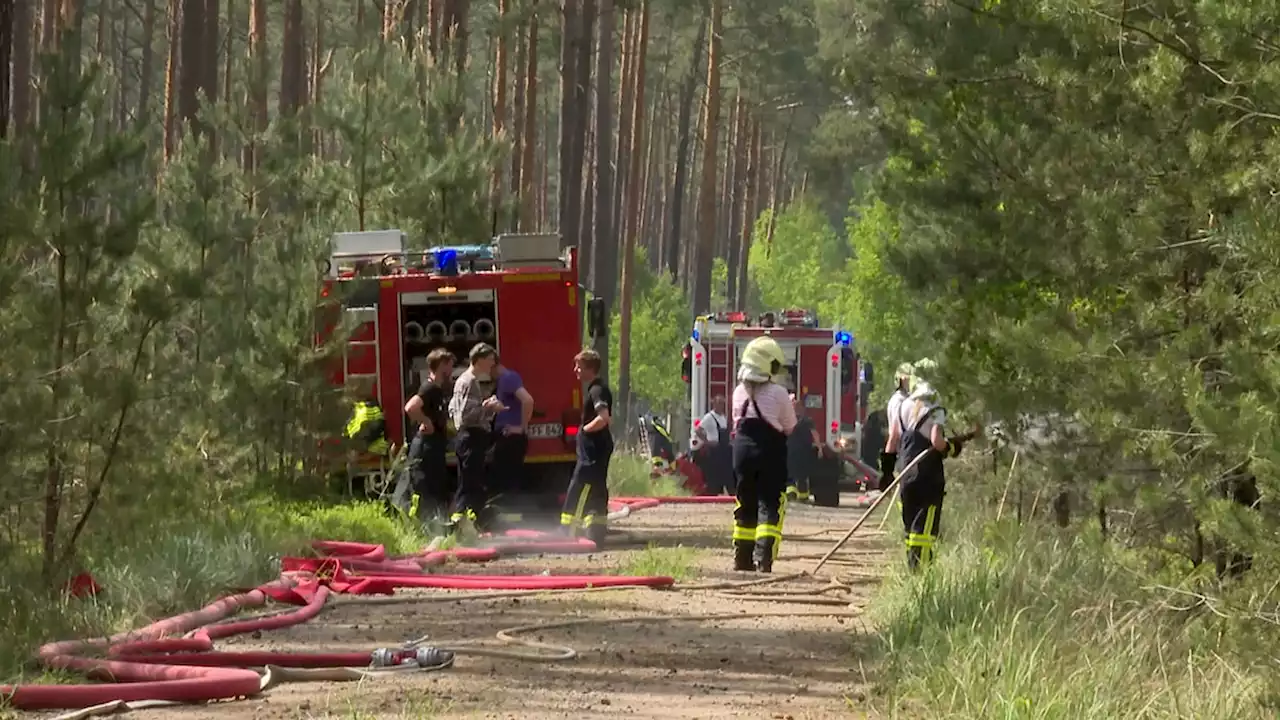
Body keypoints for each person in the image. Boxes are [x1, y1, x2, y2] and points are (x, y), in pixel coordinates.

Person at [730, 336, 797, 573]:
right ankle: (763, 557)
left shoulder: (738, 392)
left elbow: (736, 421)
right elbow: (789, 427)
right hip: (769, 452)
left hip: (741, 452)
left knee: (745, 502)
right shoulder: (778, 393)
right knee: (769, 503)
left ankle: (742, 558)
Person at [894, 377, 964, 570]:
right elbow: (936, 441)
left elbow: (897, 436)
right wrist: (950, 448)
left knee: (911, 527)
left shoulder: (903, 406)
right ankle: (922, 573)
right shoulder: (935, 410)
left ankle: (913, 566)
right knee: (924, 527)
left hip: (906, 470)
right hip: (926, 474)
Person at [447, 343, 506, 533]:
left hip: (469, 437)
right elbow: (465, 414)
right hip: (471, 437)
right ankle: (460, 526)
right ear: (479, 359)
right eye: (490, 360)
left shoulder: (464, 380)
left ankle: (471, 525)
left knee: (472, 483)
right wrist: (488, 406)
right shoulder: (469, 380)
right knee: (469, 483)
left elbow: (452, 408)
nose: (492, 364)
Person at [560, 348, 614, 546]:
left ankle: (567, 528)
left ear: (590, 369)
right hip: (599, 445)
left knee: (580, 484)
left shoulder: (596, 390)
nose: (576, 370)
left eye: (579, 367)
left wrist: (584, 431)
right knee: (597, 487)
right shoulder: (598, 389)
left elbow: (604, 417)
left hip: (593, 447)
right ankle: (596, 528)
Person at [396, 348, 455, 522]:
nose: (451, 371)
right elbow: (410, 407)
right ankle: (421, 523)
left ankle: (438, 522)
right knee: (424, 487)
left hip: (435, 446)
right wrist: (425, 421)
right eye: (449, 366)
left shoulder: (438, 390)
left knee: (438, 486)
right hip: (426, 447)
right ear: (441, 366)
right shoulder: (429, 388)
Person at [490, 360, 535, 517]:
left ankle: (510, 516)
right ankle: (508, 515)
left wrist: (521, 428)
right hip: (508, 437)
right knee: (506, 478)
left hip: (511, 438)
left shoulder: (508, 378)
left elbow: (528, 400)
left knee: (508, 479)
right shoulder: (504, 380)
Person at [878, 362, 915, 491]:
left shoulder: (911, 399)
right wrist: (888, 470)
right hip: (903, 454)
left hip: (911, 454)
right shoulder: (898, 401)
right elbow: (894, 434)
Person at [693, 395, 733, 495]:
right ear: (714, 404)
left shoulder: (723, 417)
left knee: (727, 474)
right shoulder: (709, 417)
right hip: (714, 451)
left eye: (723, 404)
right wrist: (706, 441)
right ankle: (713, 493)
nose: (721, 406)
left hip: (724, 450)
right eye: (719, 404)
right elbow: (698, 430)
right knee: (714, 476)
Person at [785, 393, 822, 502]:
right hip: (803, 451)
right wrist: (819, 448)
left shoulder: (787, 419)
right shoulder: (807, 420)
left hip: (791, 450)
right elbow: (815, 434)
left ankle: (793, 493)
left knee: (791, 473)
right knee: (802, 475)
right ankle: (803, 496)